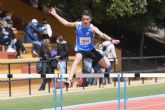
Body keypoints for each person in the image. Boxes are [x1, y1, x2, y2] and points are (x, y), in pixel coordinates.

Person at [49, 8, 120, 86]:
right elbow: (66, 23)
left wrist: (111, 39)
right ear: (81, 18)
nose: (85, 21)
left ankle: (99, 64)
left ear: (90, 19)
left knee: (107, 65)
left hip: (91, 50)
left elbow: (102, 34)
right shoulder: (78, 25)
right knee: (77, 59)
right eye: (83, 19)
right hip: (81, 50)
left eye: (87, 19)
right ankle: (69, 80)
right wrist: (55, 14)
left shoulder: (92, 28)